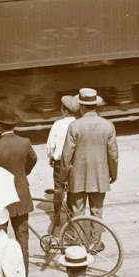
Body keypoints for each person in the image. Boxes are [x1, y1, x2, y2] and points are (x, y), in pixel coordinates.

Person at [0, 105, 38, 252]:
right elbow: (33, 159)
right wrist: (23, 173)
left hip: (2, 199)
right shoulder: (25, 142)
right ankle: (24, 267)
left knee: (0, 238)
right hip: (21, 195)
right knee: (23, 238)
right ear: (14, 124)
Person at [64, 88, 119, 220]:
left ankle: (78, 233)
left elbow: (67, 155)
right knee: (97, 210)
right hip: (100, 175)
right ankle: (96, 234)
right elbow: (113, 154)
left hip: (78, 177)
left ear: (82, 106)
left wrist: (63, 177)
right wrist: (113, 173)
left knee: (77, 211)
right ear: (95, 105)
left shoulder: (74, 125)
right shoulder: (108, 125)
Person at [47, 95, 83, 232]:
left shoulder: (57, 124)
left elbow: (50, 146)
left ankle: (56, 220)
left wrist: (51, 157)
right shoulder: (79, 124)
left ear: (64, 110)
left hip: (60, 163)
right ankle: (72, 221)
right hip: (75, 163)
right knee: (73, 191)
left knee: (58, 190)